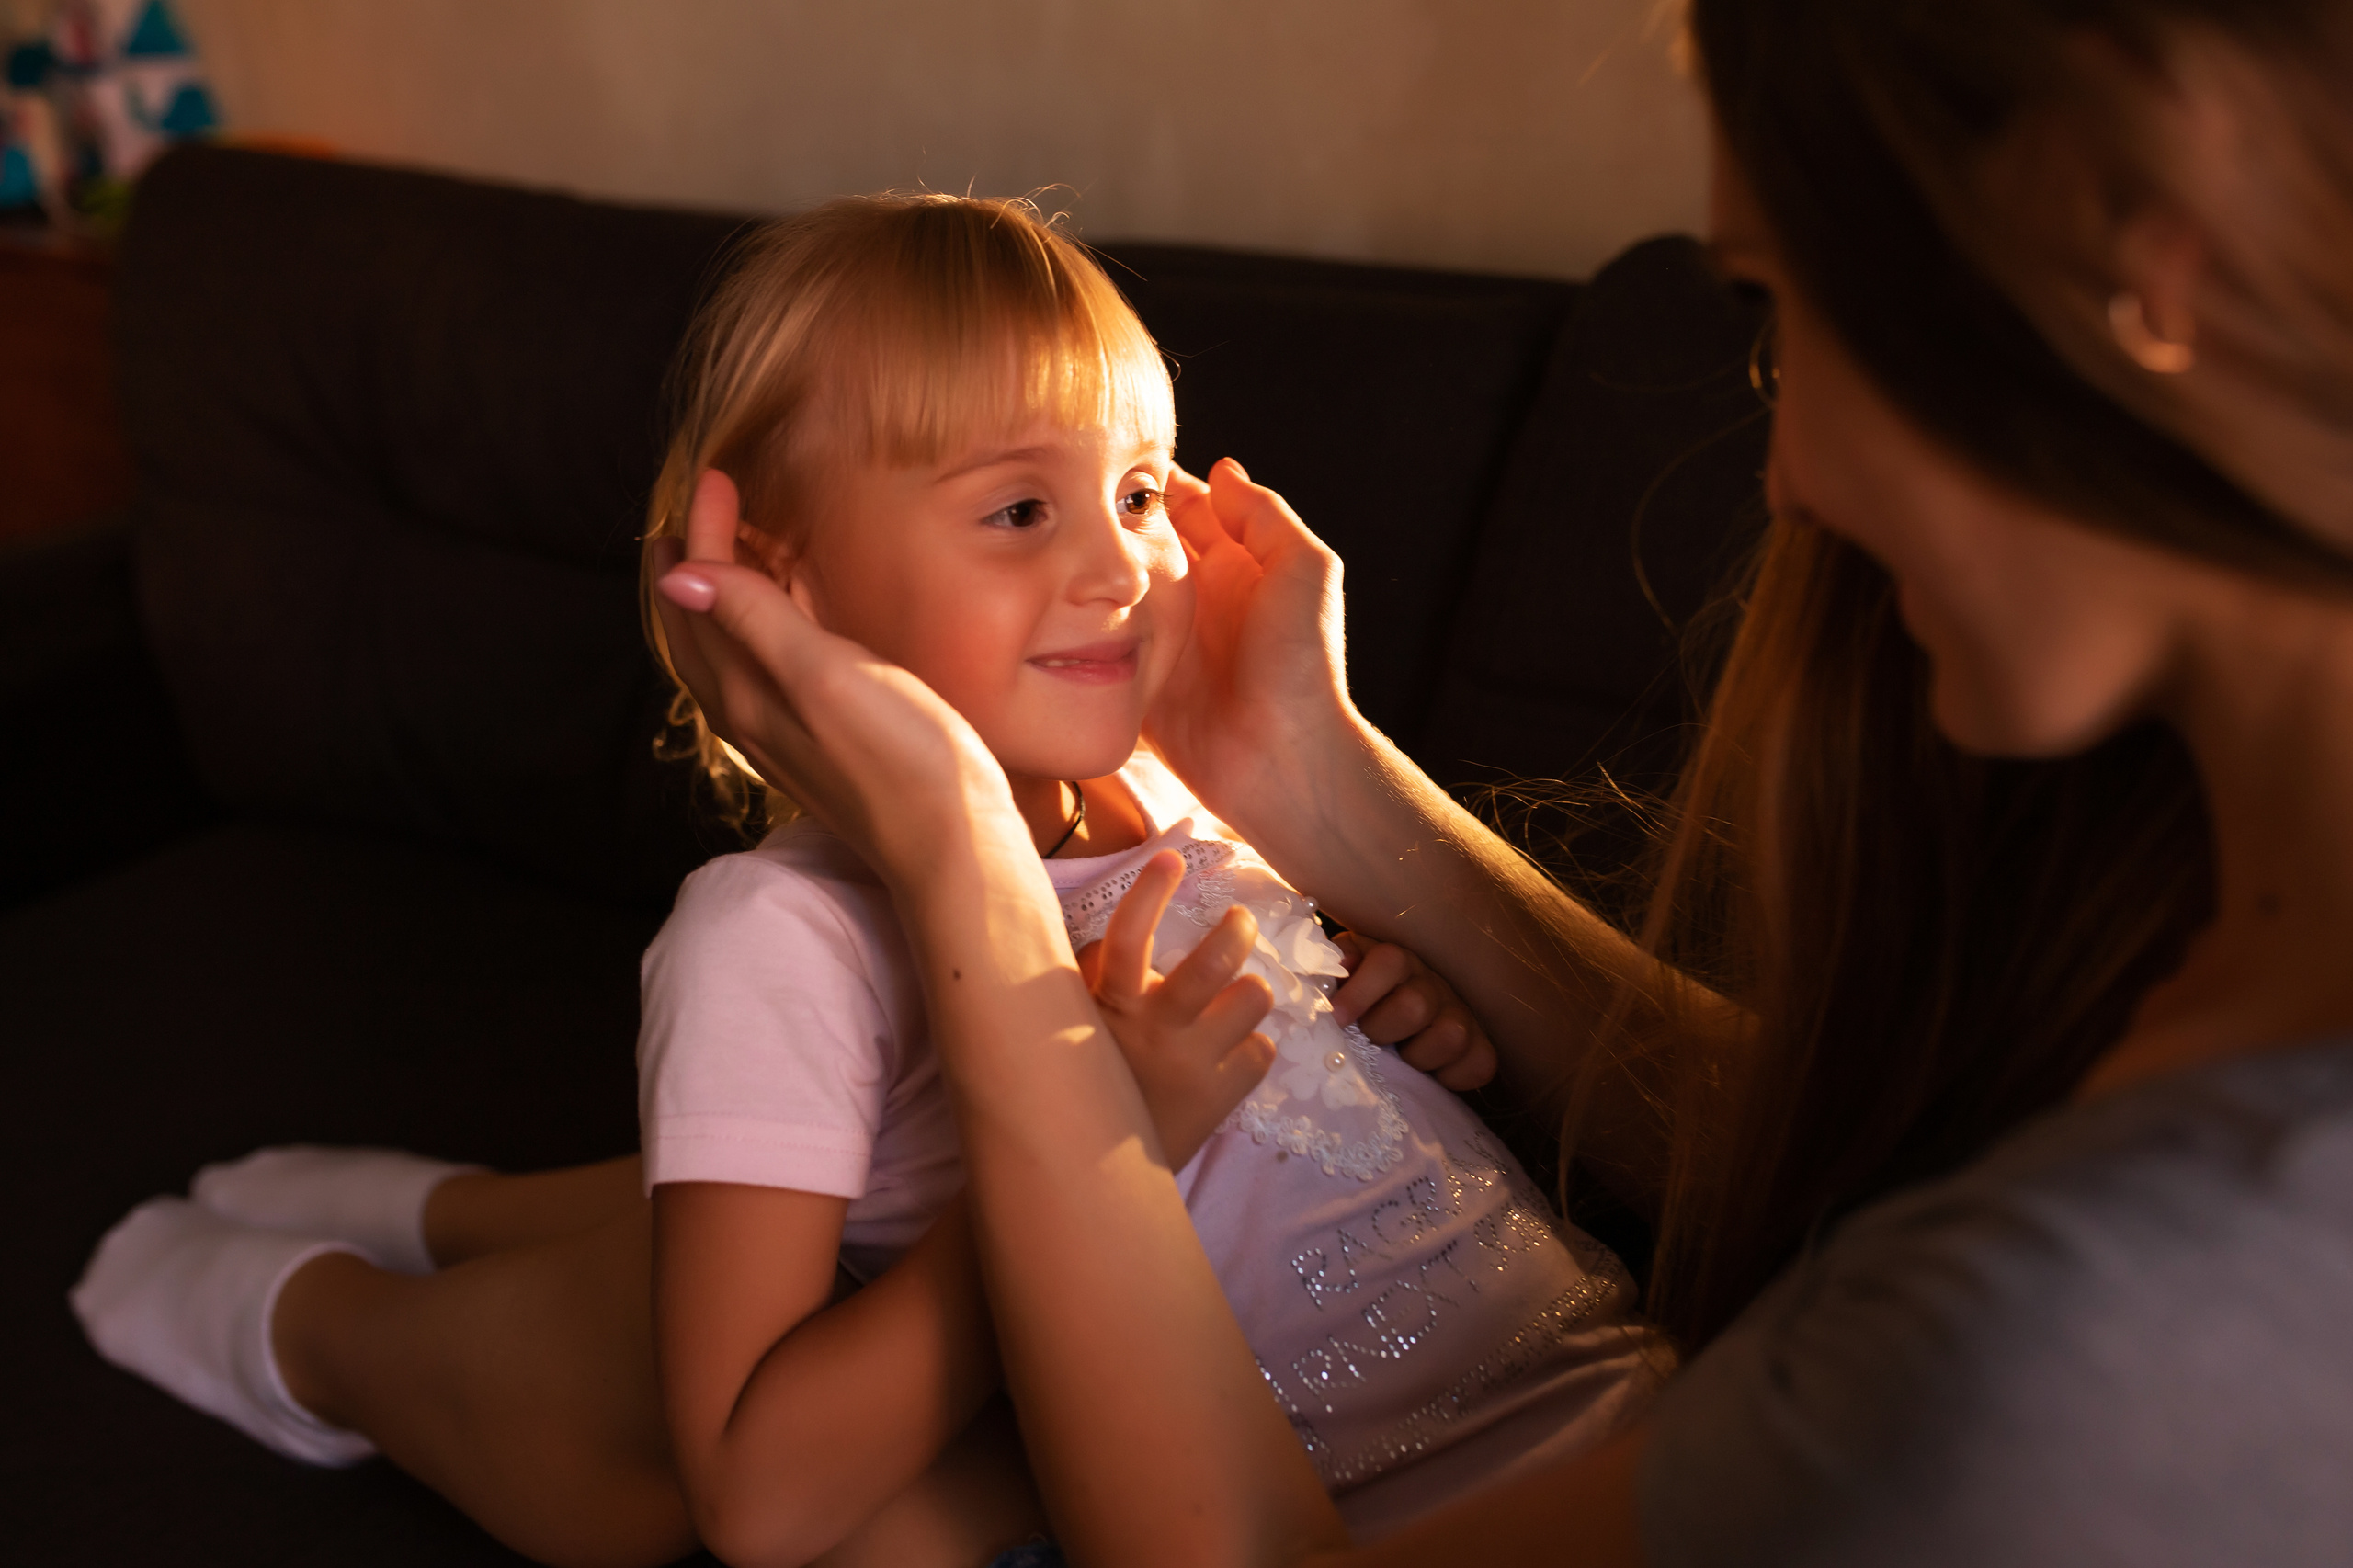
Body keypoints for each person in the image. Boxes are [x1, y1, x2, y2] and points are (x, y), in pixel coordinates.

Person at [646, 0, 2353, 1562]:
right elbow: (1813, 1160)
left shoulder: (2123, 1307)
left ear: (2139, 260)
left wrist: (964, 858)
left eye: (1783, 315)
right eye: (1023, 506)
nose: (1791, 474)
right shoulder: (2207, 1021)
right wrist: (1318, 798)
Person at [68, 193, 1668, 1568]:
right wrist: (1128, 1128)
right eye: (1021, 508)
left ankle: (444, 1209)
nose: (1119, 564)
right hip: (1338, 1492)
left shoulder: (1176, 794)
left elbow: (1315, 1135)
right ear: (789, 577)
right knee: (625, 1481)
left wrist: (1410, 1024)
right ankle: (317, 1327)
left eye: (1135, 489)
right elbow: (755, 1495)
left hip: (1596, 1407)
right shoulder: (780, 938)